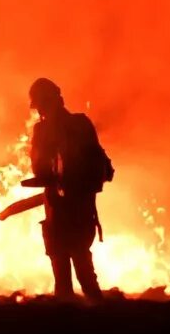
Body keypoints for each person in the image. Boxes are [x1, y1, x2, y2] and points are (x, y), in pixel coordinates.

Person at [26, 77, 113, 301]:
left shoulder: (44, 130)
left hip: (61, 210)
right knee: (81, 261)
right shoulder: (81, 123)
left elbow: (38, 168)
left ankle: (70, 316)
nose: (39, 111)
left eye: (40, 105)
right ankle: (96, 312)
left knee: (64, 268)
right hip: (81, 207)